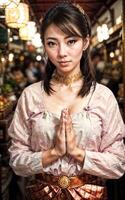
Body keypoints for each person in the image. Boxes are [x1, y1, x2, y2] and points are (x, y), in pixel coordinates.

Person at [8, 2, 125, 200]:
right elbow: (16, 160)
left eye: (71, 41)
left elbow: (118, 164)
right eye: (52, 43)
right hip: (40, 194)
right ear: (44, 45)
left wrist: (77, 153)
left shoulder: (103, 97)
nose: (62, 52)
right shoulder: (30, 96)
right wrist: (53, 153)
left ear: (86, 42)